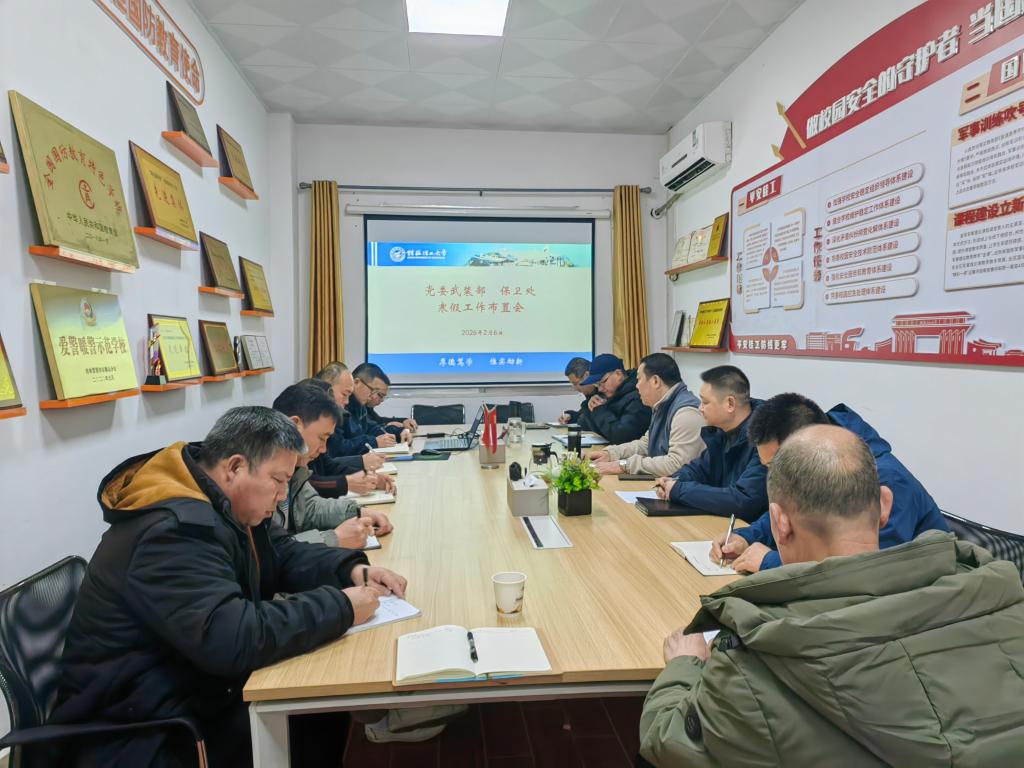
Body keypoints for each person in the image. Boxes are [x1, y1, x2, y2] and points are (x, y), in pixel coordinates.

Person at [640, 425, 1024, 766]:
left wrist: (684, 666)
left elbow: (668, 743)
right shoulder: (1004, 601)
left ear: (780, 523)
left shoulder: (752, 663)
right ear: (884, 505)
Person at [51, 407, 407, 767]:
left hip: (188, 686)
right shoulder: (171, 532)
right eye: (278, 480)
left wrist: (350, 570)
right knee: (310, 718)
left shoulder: (222, 500)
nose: (283, 495)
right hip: (143, 728)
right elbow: (230, 637)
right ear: (235, 467)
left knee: (319, 713)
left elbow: (282, 554)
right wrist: (341, 607)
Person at [712, 393, 950, 572]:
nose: (776, 477)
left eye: (777, 465)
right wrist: (747, 537)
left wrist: (770, 562)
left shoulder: (883, 480)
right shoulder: (818, 461)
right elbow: (790, 512)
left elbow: (865, 569)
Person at [272, 382, 393, 549]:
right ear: (295, 426)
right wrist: (334, 539)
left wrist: (358, 512)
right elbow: (271, 551)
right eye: (322, 438)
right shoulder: (261, 475)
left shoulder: (295, 468)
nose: (323, 449)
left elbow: (310, 509)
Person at [654, 365, 766, 521]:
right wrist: (673, 480)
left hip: (748, 530)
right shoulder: (721, 432)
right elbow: (699, 469)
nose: (700, 408)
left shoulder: (766, 439)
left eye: (705, 402)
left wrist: (679, 490)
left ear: (730, 404)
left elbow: (743, 500)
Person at [589, 353, 705, 476]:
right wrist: (611, 453)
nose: (637, 385)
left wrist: (624, 465)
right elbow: (646, 444)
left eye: (639, 379)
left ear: (655, 381)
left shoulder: (686, 413)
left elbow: (676, 464)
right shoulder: (663, 404)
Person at [328, 363, 410, 457]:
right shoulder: (338, 406)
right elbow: (338, 449)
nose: (373, 396)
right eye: (373, 390)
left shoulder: (359, 405)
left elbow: (371, 428)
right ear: (356, 382)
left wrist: (400, 432)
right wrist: (374, 442)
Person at [576, 353, 652, 444]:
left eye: (603, 382)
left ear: (618, 374)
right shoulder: (610, 393)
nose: (600, 389)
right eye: (597, 384)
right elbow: (584, 425)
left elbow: (623, 437)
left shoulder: (638, 397)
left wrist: (600, 411)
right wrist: (591, 407)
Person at [559, 356, 596, 425]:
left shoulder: (605, 391)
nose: (575, 388)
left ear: (587, 375)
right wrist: (570, 416)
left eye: (576, 383)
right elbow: (584, 415)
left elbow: (588, 421)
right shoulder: (590, 393)